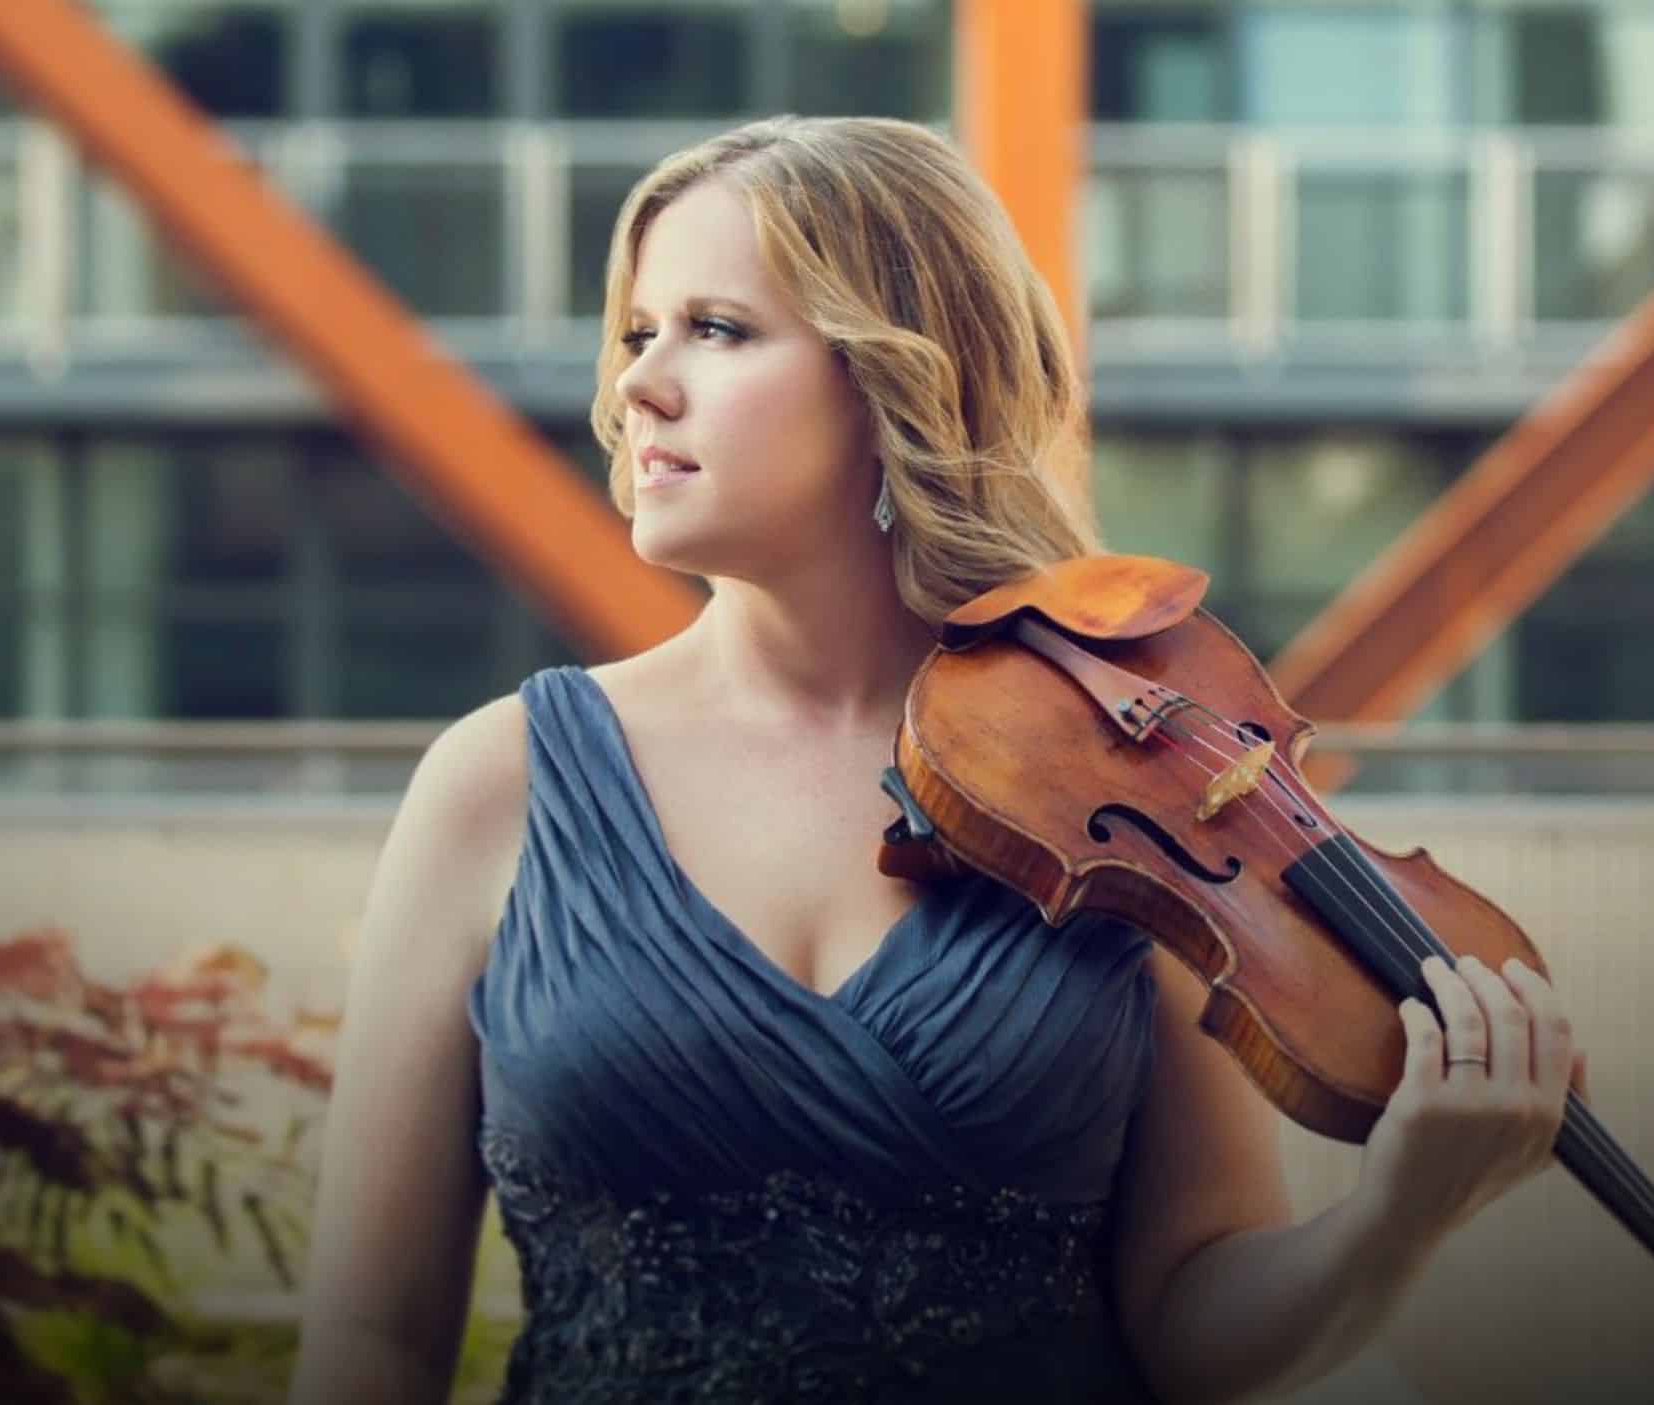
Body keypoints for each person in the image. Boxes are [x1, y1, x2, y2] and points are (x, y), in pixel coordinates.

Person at [288, 115, 1585, 1405]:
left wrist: (1392, 1220)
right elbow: (371, 1344)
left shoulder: (1115, 778)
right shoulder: (494, 783)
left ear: (896, 377)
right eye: (640, 332)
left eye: (719, 330)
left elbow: (1194, 1316)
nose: (639, 385)